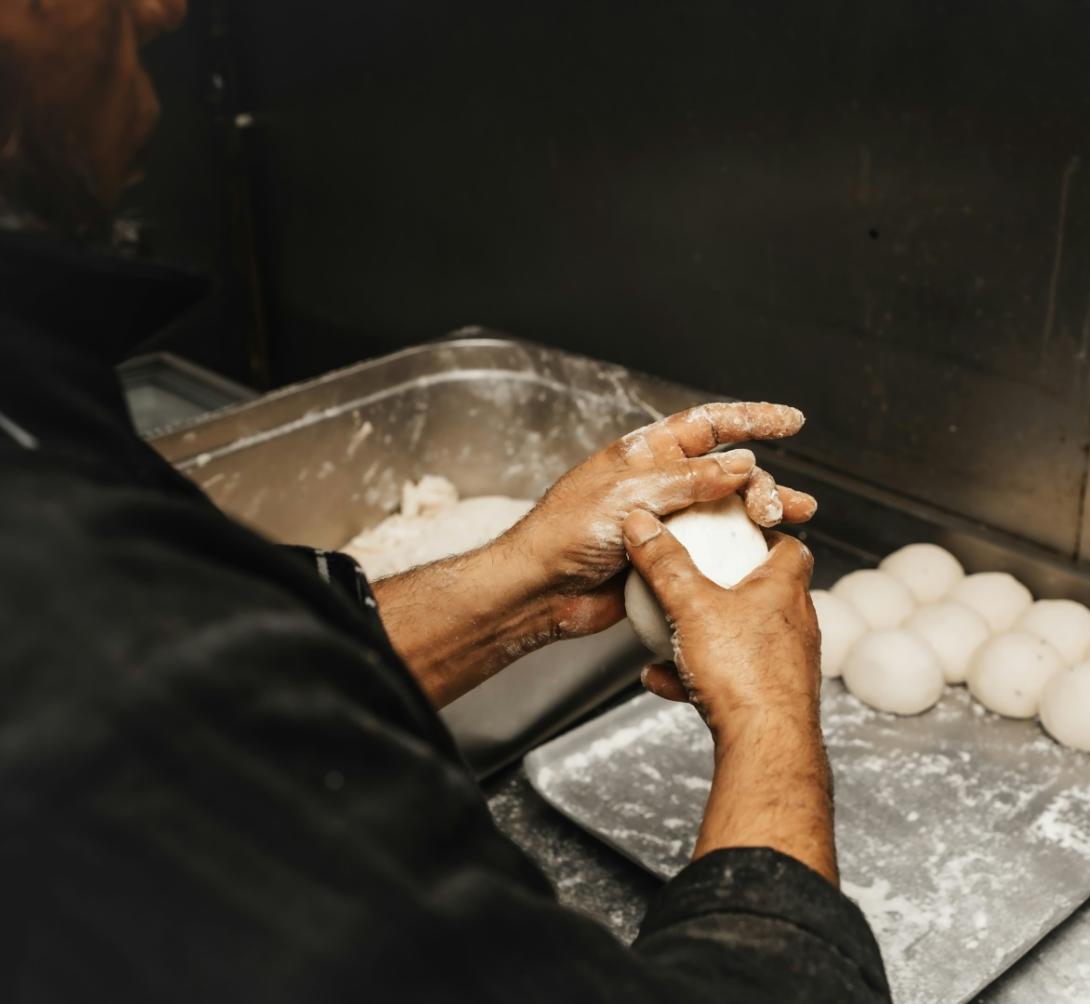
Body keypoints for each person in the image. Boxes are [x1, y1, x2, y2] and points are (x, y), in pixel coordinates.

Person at [0, 1, 889, 1000]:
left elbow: (230, 710)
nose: (163, 11)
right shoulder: (64, 614)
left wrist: (531, 580)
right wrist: (770, 713)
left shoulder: (37, 427)